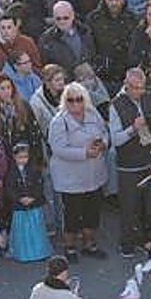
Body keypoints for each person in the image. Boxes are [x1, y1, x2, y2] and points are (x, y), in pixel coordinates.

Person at [47, 82, 109, 260]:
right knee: (72, 214)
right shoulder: (59, 121)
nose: (75, 103)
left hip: (94, 175)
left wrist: (103, 144)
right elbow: (58, 149)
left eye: (79, 99)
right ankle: (70, 248)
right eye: (71, 100)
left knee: (92, 212)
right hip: (70, 178)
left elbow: (105, 132)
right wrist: (84, 153)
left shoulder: (93, 114)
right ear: (65, 101)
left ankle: (90, 244)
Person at [112, 68, 151, 256]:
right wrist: (132, 129)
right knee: (129, 207)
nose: (139, 91)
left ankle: (145, 241)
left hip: (150, 160)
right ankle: (127, 243)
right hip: (128, 165)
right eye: (135, 88)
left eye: (142, 87)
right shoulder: (116, 105)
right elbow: (116, 140)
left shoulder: (150, 97)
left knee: (148, 206)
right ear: (126, 86)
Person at [6, 142, 54, 261]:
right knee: (22, 232)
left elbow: (39, 185)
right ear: (14, 157)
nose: (23, 160)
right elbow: (9, 188)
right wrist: (19, 198)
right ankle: (22, 253)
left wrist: (33, 197)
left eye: (25, 157)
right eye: (20, 157)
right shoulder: (11, 172)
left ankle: (39, 252)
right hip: (19, 206)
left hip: (34, 204)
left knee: (36, 230)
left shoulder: (34, 170)